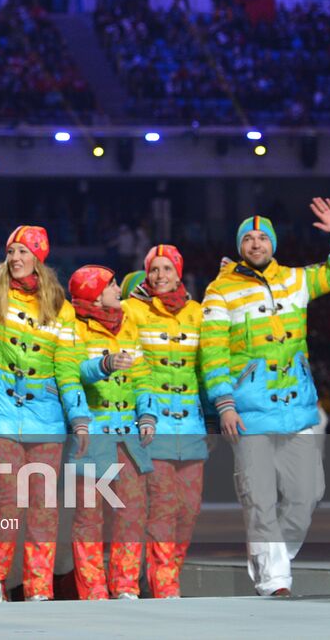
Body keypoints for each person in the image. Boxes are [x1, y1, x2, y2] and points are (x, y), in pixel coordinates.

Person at [200, 204, 330, 596]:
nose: (256, 243)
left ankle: (273, 558)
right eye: (249, 238)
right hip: (249, 412)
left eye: (263, 237)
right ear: (240, 246)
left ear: (274, 243)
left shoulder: (295, 280)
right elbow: (213, 353)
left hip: (297, 411)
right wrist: (224, 404)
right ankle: (275, 581)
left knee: (309, 495)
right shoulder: (221, 290)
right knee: (260, 499)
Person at [0, 147, 89, 603]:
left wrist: (80, 418)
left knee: (44, 508)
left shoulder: (61, 308)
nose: (14, 257)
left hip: (47, 419)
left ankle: (37, 588)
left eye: (23, 251)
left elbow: (68, 367)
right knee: (6, 501)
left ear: (38, 257)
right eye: (11, 250)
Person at [65, 265, 153, 601]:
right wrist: (102, 366)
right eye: (113, 284)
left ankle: (126, 585)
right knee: (89, 515)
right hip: (92, 436)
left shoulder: (127, 324)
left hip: (128, 437)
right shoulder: (73, 326)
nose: (118, 289)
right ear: (95, 292)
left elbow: (142, 375)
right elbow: (71, 372)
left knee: (131, 511)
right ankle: (93, 589)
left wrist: (147, 414)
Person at [126, 244, 206, 598]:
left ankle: (164, 577)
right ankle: (165, 586)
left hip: (191, 430)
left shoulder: (198, 313)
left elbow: (210, 366)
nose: (159, 276)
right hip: (153, 428)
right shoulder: (135, 311)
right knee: (162, 507)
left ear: (179, 272)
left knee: (188, 511)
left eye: (166, 269)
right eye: (153, 270)